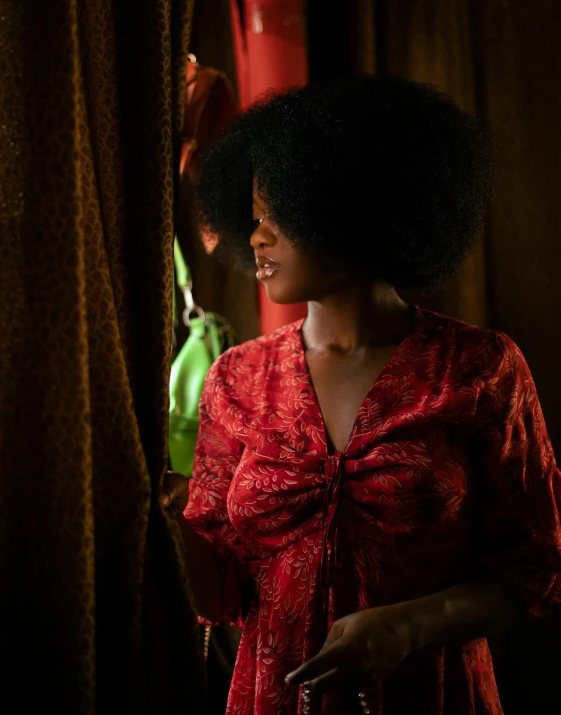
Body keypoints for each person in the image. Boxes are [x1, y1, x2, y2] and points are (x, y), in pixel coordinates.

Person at [161, 75, 561, 714]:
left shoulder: (481, 370)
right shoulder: (235, 380)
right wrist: (165, 515)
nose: (257, 236)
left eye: (279, 210)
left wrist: (408, 626)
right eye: (254, 215)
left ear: (353, 205)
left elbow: (535, 569)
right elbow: (220, 597)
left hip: (432, 697)